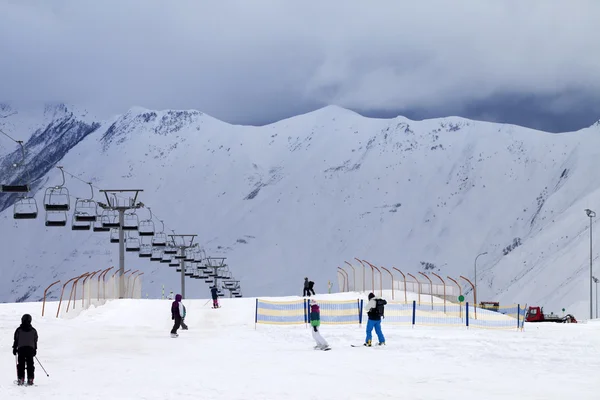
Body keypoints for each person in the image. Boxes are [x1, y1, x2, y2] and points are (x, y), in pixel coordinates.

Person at [12, 314, 38, 386]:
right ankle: (30, 379)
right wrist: (35, 349)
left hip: (21, 349)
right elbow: (35, 340)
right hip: (30, 349)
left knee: (21, 365)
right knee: (30, 364)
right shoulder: (33, 330)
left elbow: (16, 340)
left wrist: (14, 348)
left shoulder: (18, 330)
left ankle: (21, 379)